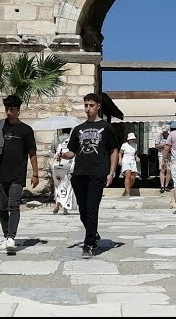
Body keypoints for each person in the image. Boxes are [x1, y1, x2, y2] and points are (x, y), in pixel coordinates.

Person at [62, 93, 119, 258]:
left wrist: (111, 172)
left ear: (98, 106)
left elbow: (113, 150)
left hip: (97, 173)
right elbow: (72, 152)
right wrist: (63, 155)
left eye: (91, 105)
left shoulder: (106, 128)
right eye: (86, 105)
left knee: (92, 208)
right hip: (79, 173)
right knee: (82, 210)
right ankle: (93, 232)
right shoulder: (78, 129)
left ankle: (89, 244)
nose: (88, 109)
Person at [0, 94, 39, 255]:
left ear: (18, 110)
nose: (9, 112)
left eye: (12, 109)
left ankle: (11, 237)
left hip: (17, 175)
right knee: (2, 207)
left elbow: (32, 153)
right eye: (7, 109)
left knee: (13, 206)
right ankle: (6, 236)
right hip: (0, 174)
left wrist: (35, 173)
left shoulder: (26, 130)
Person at [51, 127, 76, 215]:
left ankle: (57, 204)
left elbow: (52, 151)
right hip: (68, 164)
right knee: (67, 185)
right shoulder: (72, 139)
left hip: (57, 164)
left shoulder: (56, 139)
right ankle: (65, 208)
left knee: (57, 185)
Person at [119, 132, 140, 196]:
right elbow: (120, 153)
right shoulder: (124, 145)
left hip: (132, 161)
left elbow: (135, 153)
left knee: (133, 177)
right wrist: (120, 159)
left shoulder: (135, 145)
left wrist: (137, 157)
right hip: (126, 161)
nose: (133, 140)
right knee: (128, 175)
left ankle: (127, 189)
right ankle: (128, 193)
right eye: (132, 139)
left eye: (134, 139)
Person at [154, 125, 172, 194]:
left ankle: (166, 185)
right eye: (164, 132)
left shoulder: (171, 136)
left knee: (169, 170)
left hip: (169, 155)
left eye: (166, 132)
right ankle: (162, 186)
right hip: (161, 154)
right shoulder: (159, 136)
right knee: (162, 169)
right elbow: (156, 146)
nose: (165, 133)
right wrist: (162, 145)